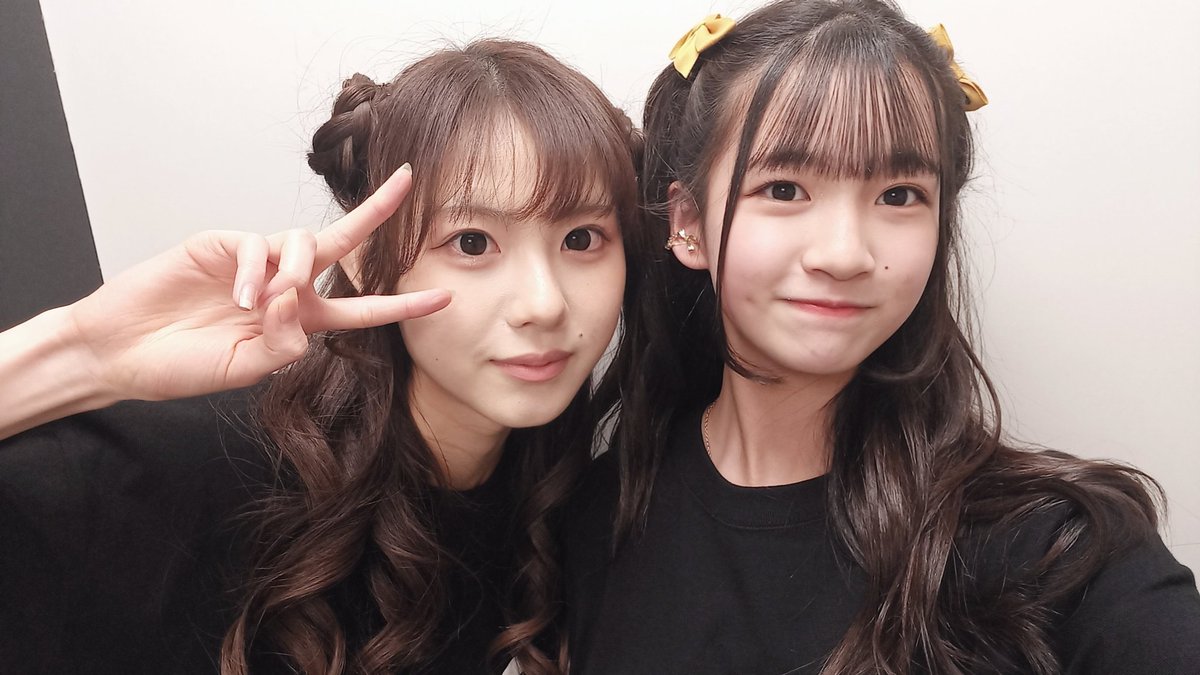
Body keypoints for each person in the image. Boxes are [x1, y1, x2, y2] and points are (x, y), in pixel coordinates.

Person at [566, 1, 1200, 673]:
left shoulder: (1059, 549)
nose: (845, 254)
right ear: (688, 222)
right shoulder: (600, 514)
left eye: (899, 195)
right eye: (784, 189)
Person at [0, 39, 643, 675]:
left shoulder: (564, 501)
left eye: (581, 238)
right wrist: (84, 351)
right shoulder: (203, 472)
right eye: (472, 242)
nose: (543, 304)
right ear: (366, 259)